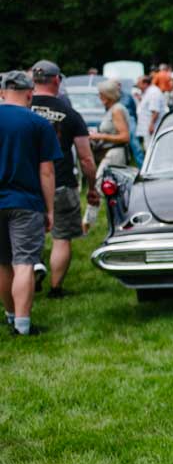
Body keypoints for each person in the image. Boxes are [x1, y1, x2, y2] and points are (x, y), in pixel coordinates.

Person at [1, 70, 61, 336]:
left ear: (2, 93)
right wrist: (49, 209)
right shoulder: (38, 124)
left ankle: (10, 315)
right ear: (29, 94)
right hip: (26, 201)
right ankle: (23, 326)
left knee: (2, 263)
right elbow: (46, 172)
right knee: (23, 262)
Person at [28, 61, 96, 296]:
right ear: (57, 80)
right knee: (62, 237)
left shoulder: (20, 109)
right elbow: (86, 158)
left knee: (25, 235)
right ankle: (56, 289)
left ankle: (31, 274)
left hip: (26, 183)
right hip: (61, 181)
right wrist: (93, 188)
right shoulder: (69, 112)